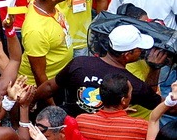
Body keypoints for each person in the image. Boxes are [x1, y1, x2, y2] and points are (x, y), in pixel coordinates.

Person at [35, 25, 164, 116]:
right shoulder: (132, 84)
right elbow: (157, 104)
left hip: (70, 128)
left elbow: (49, 87)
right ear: (127, 55)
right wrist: (154, 68)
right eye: (139, 49)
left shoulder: (79, 63)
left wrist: (28, 103)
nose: (142, 52)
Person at [18, 0, 73, 86]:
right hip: (46, 85)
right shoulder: (36, 31)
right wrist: (50, 101)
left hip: (59, 76)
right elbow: (39, 74)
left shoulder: (38, 0)